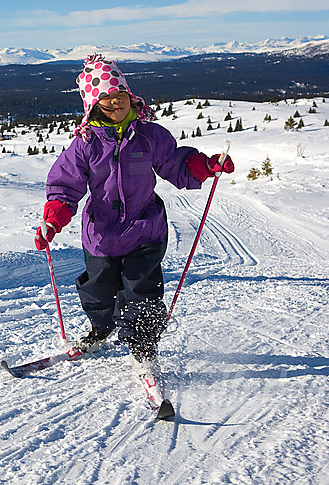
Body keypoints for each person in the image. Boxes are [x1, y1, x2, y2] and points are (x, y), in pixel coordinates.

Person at [34, 54, 234, 373]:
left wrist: (205, 166)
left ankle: (143, 348)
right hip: (100, 235)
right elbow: (64, 186)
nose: (116, 104)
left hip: (145, 230)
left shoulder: (149, 137)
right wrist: (53, 219)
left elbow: (176, 163)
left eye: (120, 97)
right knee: (97, 289)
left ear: (130, 96)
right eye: (107, 100)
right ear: (94, 105)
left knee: (142, 289)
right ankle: (101, 328)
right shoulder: (85, 146)